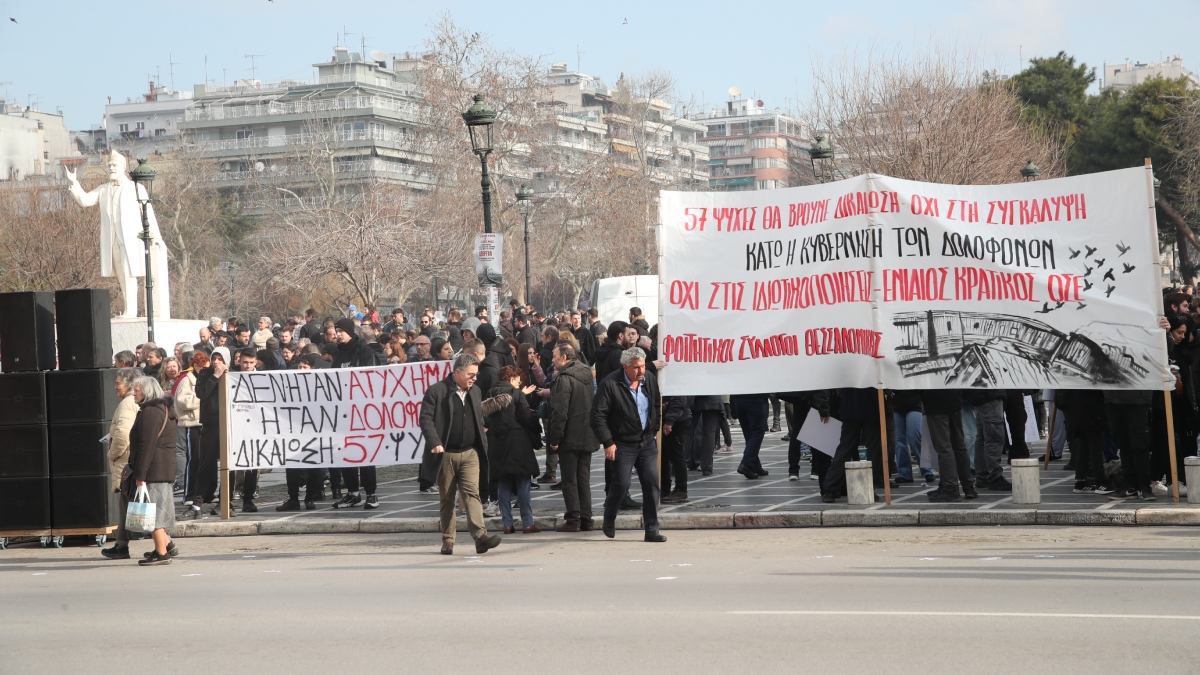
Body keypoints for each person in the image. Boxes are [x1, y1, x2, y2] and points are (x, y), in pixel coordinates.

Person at [419, 353, 502, 556]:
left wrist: (483, 428)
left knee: (472, 494)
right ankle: (448, 540)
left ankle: (481, 537)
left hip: (470, 453)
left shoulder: (475, 391)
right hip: (446, 454)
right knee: (447, 498)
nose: (475, 378)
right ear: (457, 372)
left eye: (476, 374)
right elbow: (426, 419)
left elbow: (478, 414)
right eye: (471, 375)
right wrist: (435, 442)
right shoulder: (437, 391)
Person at [101, 376, 178, 565]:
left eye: (137, 390)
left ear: (148, 391)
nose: (133, 393)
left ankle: (162, 553)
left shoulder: (151, 412)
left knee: (153, 512)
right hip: (160, 468)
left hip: (154, 471)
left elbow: (146, 446)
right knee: (154, 510)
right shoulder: (161, 409)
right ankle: (163, 548)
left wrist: (140, 475)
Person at [591, 347, 665, 543]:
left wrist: (654, 428)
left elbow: (655, 404)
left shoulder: (648, 378)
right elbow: (597, 416)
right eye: (636, 368)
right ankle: (609, 515)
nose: (641, 371)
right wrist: (608, 442)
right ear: (625, 367)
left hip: (647, 441)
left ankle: (651, 528)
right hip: (622, 443)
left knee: (650, 484)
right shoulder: (610, 384)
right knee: (621, 484)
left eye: (642, 366)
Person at [329, 318, 382, 509]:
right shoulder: (338, 353)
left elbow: (371, 378)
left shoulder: (364, 351)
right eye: (336, 330)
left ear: (350, 331)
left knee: (365, 452)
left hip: (363, 410)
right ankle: (352, 493)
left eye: (341, 330)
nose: (338, 334)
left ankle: (371, 493)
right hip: (343, 411)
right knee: (346, 451)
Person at [545, 343, 598, 532]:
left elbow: (559, 412)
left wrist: (554, 439)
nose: (552, 360)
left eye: (554, 356)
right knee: (583, 478)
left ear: (564, 358)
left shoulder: (563, 379)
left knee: (569, 480)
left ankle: (573, 519)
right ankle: (587, 519)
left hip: (570, 435)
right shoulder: (586, 373)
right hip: (587, 433)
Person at [485, 366, 542, 534]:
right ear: (510, 379)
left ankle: (507, 524)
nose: (519, 383)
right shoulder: (516, 394)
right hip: (519, 443)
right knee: (523, 482)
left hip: (498, 443)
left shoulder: (489, 395)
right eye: (518, 379)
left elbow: (486, 420)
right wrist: (536, 424)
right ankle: (527, 522)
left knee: (503, 483)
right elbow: (525, 417)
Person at [183, 346, 229, 519]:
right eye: (214, 358)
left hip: (227, 425)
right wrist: (215, 377)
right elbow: (201, 393)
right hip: (211, 426)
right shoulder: (205, 374)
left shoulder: (233, 374)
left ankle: (225, 501)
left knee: (228, 465)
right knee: (206, 464)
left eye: (220, 359)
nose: (216, 361)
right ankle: (197, 503)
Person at [822, 388, 890, 503]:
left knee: (845, 449)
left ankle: (830, 489)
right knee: (870, 450)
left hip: (851, 405)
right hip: (871, 404)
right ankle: (866, 486)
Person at [921, 389, 975, 502]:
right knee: (959, 445)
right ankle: (969, 488)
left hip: (935, 401)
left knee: (944, 448)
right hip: (954, 397)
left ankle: (951, 490)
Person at [174, 352, 204, 502]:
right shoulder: (187, 380)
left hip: (205, 423)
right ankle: (189, 494)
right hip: (192, 423)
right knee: (193, 459)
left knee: (204, 460)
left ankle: (202, 492)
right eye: (202, 367)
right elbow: (183, 402)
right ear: (196, 365)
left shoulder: (205, 378)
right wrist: (201, 395)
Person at [106, 368, 141, 493]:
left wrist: (111, 454)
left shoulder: (127, 403)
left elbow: (123, 434)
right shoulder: (135, 401)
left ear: (129, 384)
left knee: (128, 508)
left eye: (118, 383)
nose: (115, 387)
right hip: (131, 461)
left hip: (125, 464)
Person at [660, 395, 693, 503]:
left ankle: (681, 489)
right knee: (663, 456)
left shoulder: (674, 381)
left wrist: (670, 421)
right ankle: (664, 489)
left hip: (677, 420)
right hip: (667, 418)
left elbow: (679, 399)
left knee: (677, 456)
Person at [730, 394, 770, 479]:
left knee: (749, 434)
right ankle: (746, 463)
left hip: (738, 399)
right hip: (755, 397)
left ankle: (755, 466)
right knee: (757, 432)